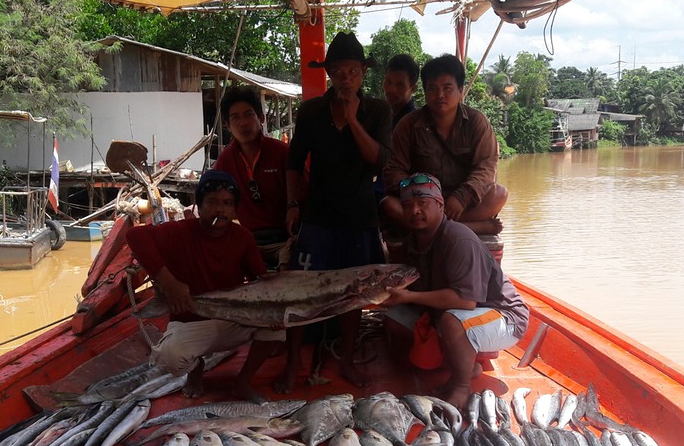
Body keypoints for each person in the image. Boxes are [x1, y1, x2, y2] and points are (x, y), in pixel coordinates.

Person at [280, 31, 392, 391]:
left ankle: (345, 360)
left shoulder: (377, 110)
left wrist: (354, 119)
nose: (346, 78)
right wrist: (293, 204)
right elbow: (295, 163)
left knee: (354, 295)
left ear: (363, 73)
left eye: (353, 71)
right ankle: (293, 361)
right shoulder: (311, 111)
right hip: (317, 217)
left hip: (359, 218)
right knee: (302, 291)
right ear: (328, 72)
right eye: (339, 71)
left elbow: (378, 161)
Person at [124, 169, 284, 401]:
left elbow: (259, 280)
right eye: (212, 202)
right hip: (191, 322)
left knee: (277, 329)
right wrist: (170, 284)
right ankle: (195, 369)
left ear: (234, 208)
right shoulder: (180, 231)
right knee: (168, 357)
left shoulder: (243, 237)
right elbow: (135, 237)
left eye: (228, 203)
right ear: (198, 205)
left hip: (233, 319)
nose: (220, 209)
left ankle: (242, 381)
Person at [380, 172, 530, 407]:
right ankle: (465, 365)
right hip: (460, 314)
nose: (415, 211)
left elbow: (465, 301)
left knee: (452, 320)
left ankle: (461, 386)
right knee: (393, 320)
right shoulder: (413, 241)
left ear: (440, 205)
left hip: (504, 317)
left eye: (423, 204)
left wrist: (408, 296)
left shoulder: (459, 240)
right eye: (408, 205)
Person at [382, 54, 508, 236]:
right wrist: (422, 194)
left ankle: (437, 225)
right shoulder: (408, 125)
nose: (439, 95)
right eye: (432, 88)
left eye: (447, 88)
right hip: (423, 203)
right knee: (389, 204)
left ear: (460, 91)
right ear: (424, 92)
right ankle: (471, 227)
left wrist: (461, 197)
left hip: (462, 204)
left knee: (499, 194)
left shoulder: (476, 122)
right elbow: (393, 171)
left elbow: (487, 168)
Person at [212, 86, 289, 264]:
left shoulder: (281, 152)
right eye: (235, 118)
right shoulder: (226, 160)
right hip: (248, 239)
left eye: (248, 115)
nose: (243, 123)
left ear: (261, 118)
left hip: (286, 239)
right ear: (227, 125)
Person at [383, 53, 420, 128]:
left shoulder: (413, 124)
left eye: (400, 85)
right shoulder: (380, 113)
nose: (391, 89)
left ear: (413, 89)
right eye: (388, 82)